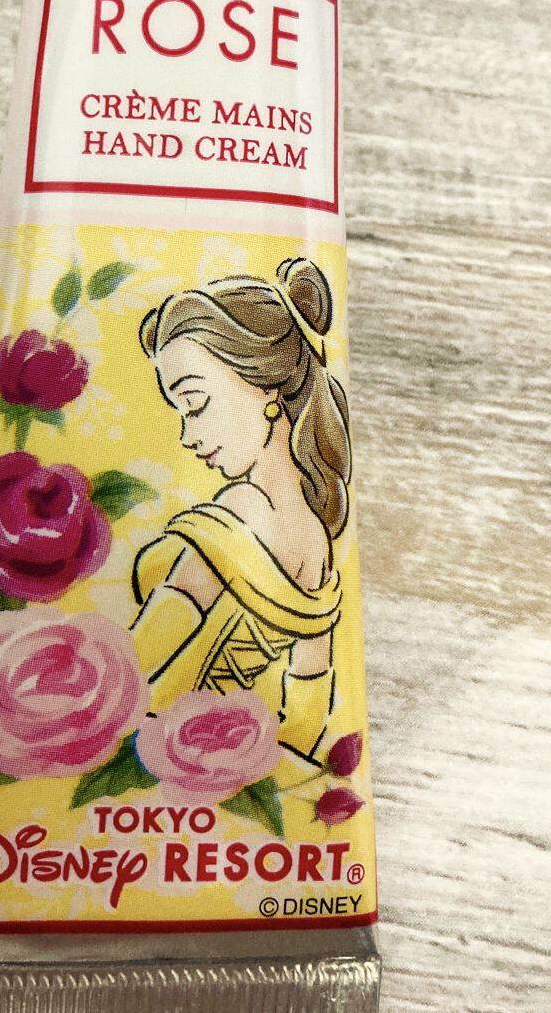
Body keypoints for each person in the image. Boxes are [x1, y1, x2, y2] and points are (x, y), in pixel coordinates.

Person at [130, 256, 352, 763]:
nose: (187, 435)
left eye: (195, 403)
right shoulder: (317, 536)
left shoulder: (243, 509)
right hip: (221, 763)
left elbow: (141, 658)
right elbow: (307, 712)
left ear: (266, 386)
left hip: (147, 746)